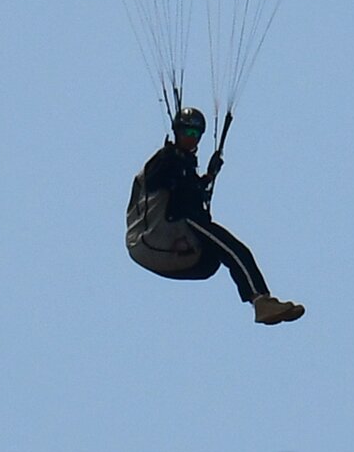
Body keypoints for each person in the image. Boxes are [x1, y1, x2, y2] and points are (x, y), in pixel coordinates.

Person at [126, 106, 304, 324]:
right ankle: (260, 301)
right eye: (187, 132)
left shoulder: (182, 166)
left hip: (167, 245)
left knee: (212, 259)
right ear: (176, 131)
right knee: (234, 248)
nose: (191, 139)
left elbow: (185, 189)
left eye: (196, 134)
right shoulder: (165, 159)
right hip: (158, 233)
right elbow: (158, 181)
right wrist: (182, 167)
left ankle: (261, 301)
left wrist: (206, 177)